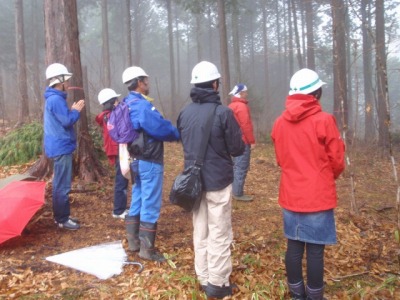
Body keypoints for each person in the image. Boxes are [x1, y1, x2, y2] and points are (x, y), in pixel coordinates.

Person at [271, 68, 345, 300]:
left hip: (291, 193)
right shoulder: (324, 121)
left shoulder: (279, 123)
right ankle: (314, 296)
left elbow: (281, 159)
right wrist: (324, 177)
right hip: (317, 195)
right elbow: (337, 160)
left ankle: (296, 294)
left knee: (294, 247)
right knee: (315, 250)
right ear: (316, 93)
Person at [177, 61, 244, 299]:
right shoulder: (224, 113)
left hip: (193, 184)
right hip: (217, 181)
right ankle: (217, 284)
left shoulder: (184, 113)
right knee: (219, 232)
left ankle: (203, 276)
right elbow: (237, 148)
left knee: (200, 229)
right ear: (215, 84)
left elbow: (185, 143)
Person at [122, 66, 180, 262]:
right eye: (146, 80)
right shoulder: (141, 106)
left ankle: (133, 242)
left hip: (135, 160)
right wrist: (176, 133)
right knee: (151, 202)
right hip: (150, 159)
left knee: (137, 197)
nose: (148, 83)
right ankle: (147, 250)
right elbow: (159, 127)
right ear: (139, 82)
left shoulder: (125, 104)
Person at [43, 63, 85, 231]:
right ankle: (62, 219)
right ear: (59, 81)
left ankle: (62, 217)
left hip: (59, 146)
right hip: (61, 147)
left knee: (61, 183)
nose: (67, 83)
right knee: (62, 185)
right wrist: (75, 111)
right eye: (65, 79)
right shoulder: (55, 99)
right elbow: (67, 121)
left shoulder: (54, 98)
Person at [95, 88, 129, 219]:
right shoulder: (111, 116)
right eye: (116, 100)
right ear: (112, 102)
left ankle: (120, 207)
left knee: (123, 178)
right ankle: (118, 210)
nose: (118, 102)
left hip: (115, 150)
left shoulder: (106, 116)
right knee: (121, 179)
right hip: (117, 150)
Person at [228, 83, 256, 201]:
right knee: (241, 166)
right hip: (243, 141)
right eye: (245, 91)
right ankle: (237, 193)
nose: (247, 93)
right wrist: (252, 141)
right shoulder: (241, 107)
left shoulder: (231, 106)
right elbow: (246, 125)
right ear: (240, 93)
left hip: (233, 141)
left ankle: (234, 190)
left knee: (235, 166)